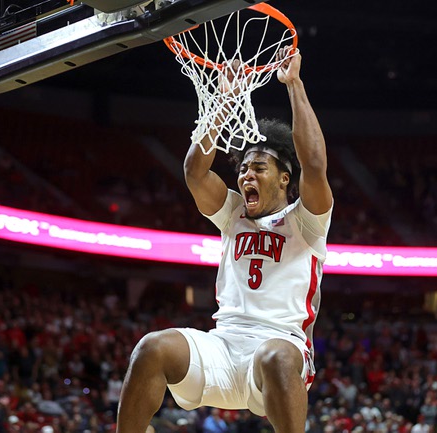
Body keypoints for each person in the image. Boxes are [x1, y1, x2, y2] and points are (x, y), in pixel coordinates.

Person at [116, 45, 333, 433]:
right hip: (222, 346)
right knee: (152, 348)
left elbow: (314, 166)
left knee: (275, 357)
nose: (247, 175)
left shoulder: (307, 221)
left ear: (285, 178)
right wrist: (223, 100)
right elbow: (195, 172)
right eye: (244, 168)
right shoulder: (233, 213)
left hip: (280, 352)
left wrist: (294, 83)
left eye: (259, 168)